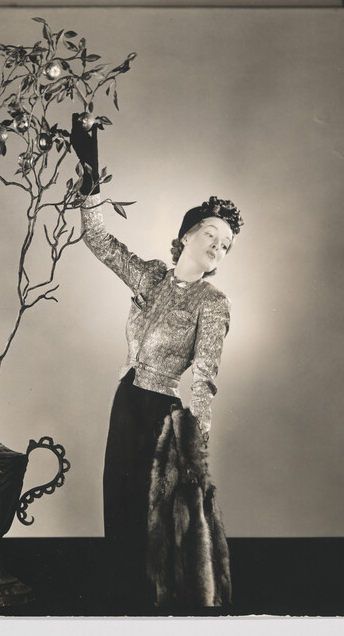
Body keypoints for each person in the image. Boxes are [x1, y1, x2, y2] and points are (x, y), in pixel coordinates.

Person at [71, 114, 242, 609]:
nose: (217, 246)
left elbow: (205, 379)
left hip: (162, 418)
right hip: (126, 401)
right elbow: (99, 242)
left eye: (226, 245)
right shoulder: (150, 277)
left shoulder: (214, 303)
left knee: (157, 526)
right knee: (118, 507)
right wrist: (90, 172)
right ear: (188, 234)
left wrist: (197, 447)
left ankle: (154, 612)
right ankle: (121, 607)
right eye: (212, 233)